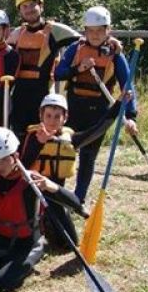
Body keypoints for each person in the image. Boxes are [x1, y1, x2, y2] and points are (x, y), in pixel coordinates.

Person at [0, 127, 81, 291]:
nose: (0, 166)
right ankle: (4, 258)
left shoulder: (30, 180)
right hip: (1, 239)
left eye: (4, 159)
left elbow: (75, 202)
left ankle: (14, 260)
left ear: (15, 156)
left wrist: (52, 186)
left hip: (28, 243)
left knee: (2, 282)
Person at [53, 6, 138, 202]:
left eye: (100, 30)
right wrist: (79, 68)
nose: (95, 35)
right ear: (85, 31)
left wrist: (131, 116)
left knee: (88, 156)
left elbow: (128, 87)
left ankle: (79, 198)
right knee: (65, 150)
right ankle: (60, 195)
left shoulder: (115, 54)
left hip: (99, 110)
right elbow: (58, 73)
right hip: (73, 108)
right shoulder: (76, 49)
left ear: (108, 30)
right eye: (91, 30)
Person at [19, 93, 118, 246]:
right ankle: (41, 223)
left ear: (65, 118)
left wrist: (118, 105)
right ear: (41, 115)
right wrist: (39, 143)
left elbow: (98, 129)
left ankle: (63, 214)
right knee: (29, 236)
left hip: (55, 194)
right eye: (48, 116)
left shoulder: (70, 139)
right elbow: (22, 166)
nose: (52, 121)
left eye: (57, 117)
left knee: (68, 243)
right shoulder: (32, 136)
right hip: (32, 192)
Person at [5, 0, 80, 136]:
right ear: (20, 11)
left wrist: (109, 41)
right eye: (24, 6)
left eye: (33, 5)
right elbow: (1, 52)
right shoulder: (17, 34)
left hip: (43, 92)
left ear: (41, 7)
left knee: (43, 135)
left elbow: (84, 42)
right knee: (20, 134)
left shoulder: (55, 30)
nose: (29, 9)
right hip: (20, 94)